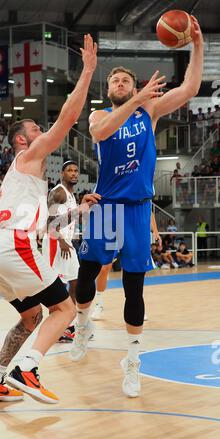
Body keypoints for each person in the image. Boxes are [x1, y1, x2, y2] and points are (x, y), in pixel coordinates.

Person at [69, 17, 203, 399]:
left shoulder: (150, 111)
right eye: (115, 82)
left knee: (134, 286)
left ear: (133, 86)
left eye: (126, 82)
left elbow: (191, 86)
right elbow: (100, 133)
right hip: (106, 205)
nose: (121, 85)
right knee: (87, 273)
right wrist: (136, 100)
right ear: (109, 90)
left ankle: (132, 361)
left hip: (136, 209)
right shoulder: (101, 114)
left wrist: (197, 44)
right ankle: (82, 323)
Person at [0, 34, 99, 404]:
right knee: (63, 309)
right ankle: (28, 369)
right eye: (33, 129)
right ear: (21, 141)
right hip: (11, 245)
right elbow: (67, 118)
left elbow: (46, 224)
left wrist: (78, 211)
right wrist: (88, 70)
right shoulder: (28, 158)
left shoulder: (25, 182)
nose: (40, 132)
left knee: (30, 317)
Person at [42, 160, 80, 343]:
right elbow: (49, 222)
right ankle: (59, 328)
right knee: (56, 286)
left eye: (75, 170)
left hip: (67, 243)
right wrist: (62, 240)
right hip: (55, 242)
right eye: (69, 170)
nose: (73, 173)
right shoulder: (58, 192)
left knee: (75, 283)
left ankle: (68, 323)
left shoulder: (72, 195)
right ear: (62, 174)